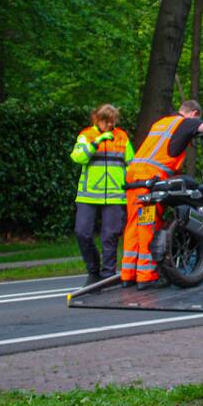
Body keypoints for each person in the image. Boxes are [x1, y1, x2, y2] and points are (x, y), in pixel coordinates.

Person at [122, 100, 203, 290]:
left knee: (134, 224)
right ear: (194, 113)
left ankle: (128, 275)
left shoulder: (161, 123)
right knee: (147, 226)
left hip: (134, 175)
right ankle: (146, 276)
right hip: (151, 177)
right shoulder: (188, 123)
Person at [70, 104, 134, 288]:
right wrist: (96, 142)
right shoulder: (87, 135)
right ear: (97, 119)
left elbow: (131, 163)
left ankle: (107, 275)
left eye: (112, 121)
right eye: (105, 121)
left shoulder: (121, 136)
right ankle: (93, 271)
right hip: (88, 196)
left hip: (115, 195)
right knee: (82, 233)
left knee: (110, 236)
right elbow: (78, 157)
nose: (109, 125)